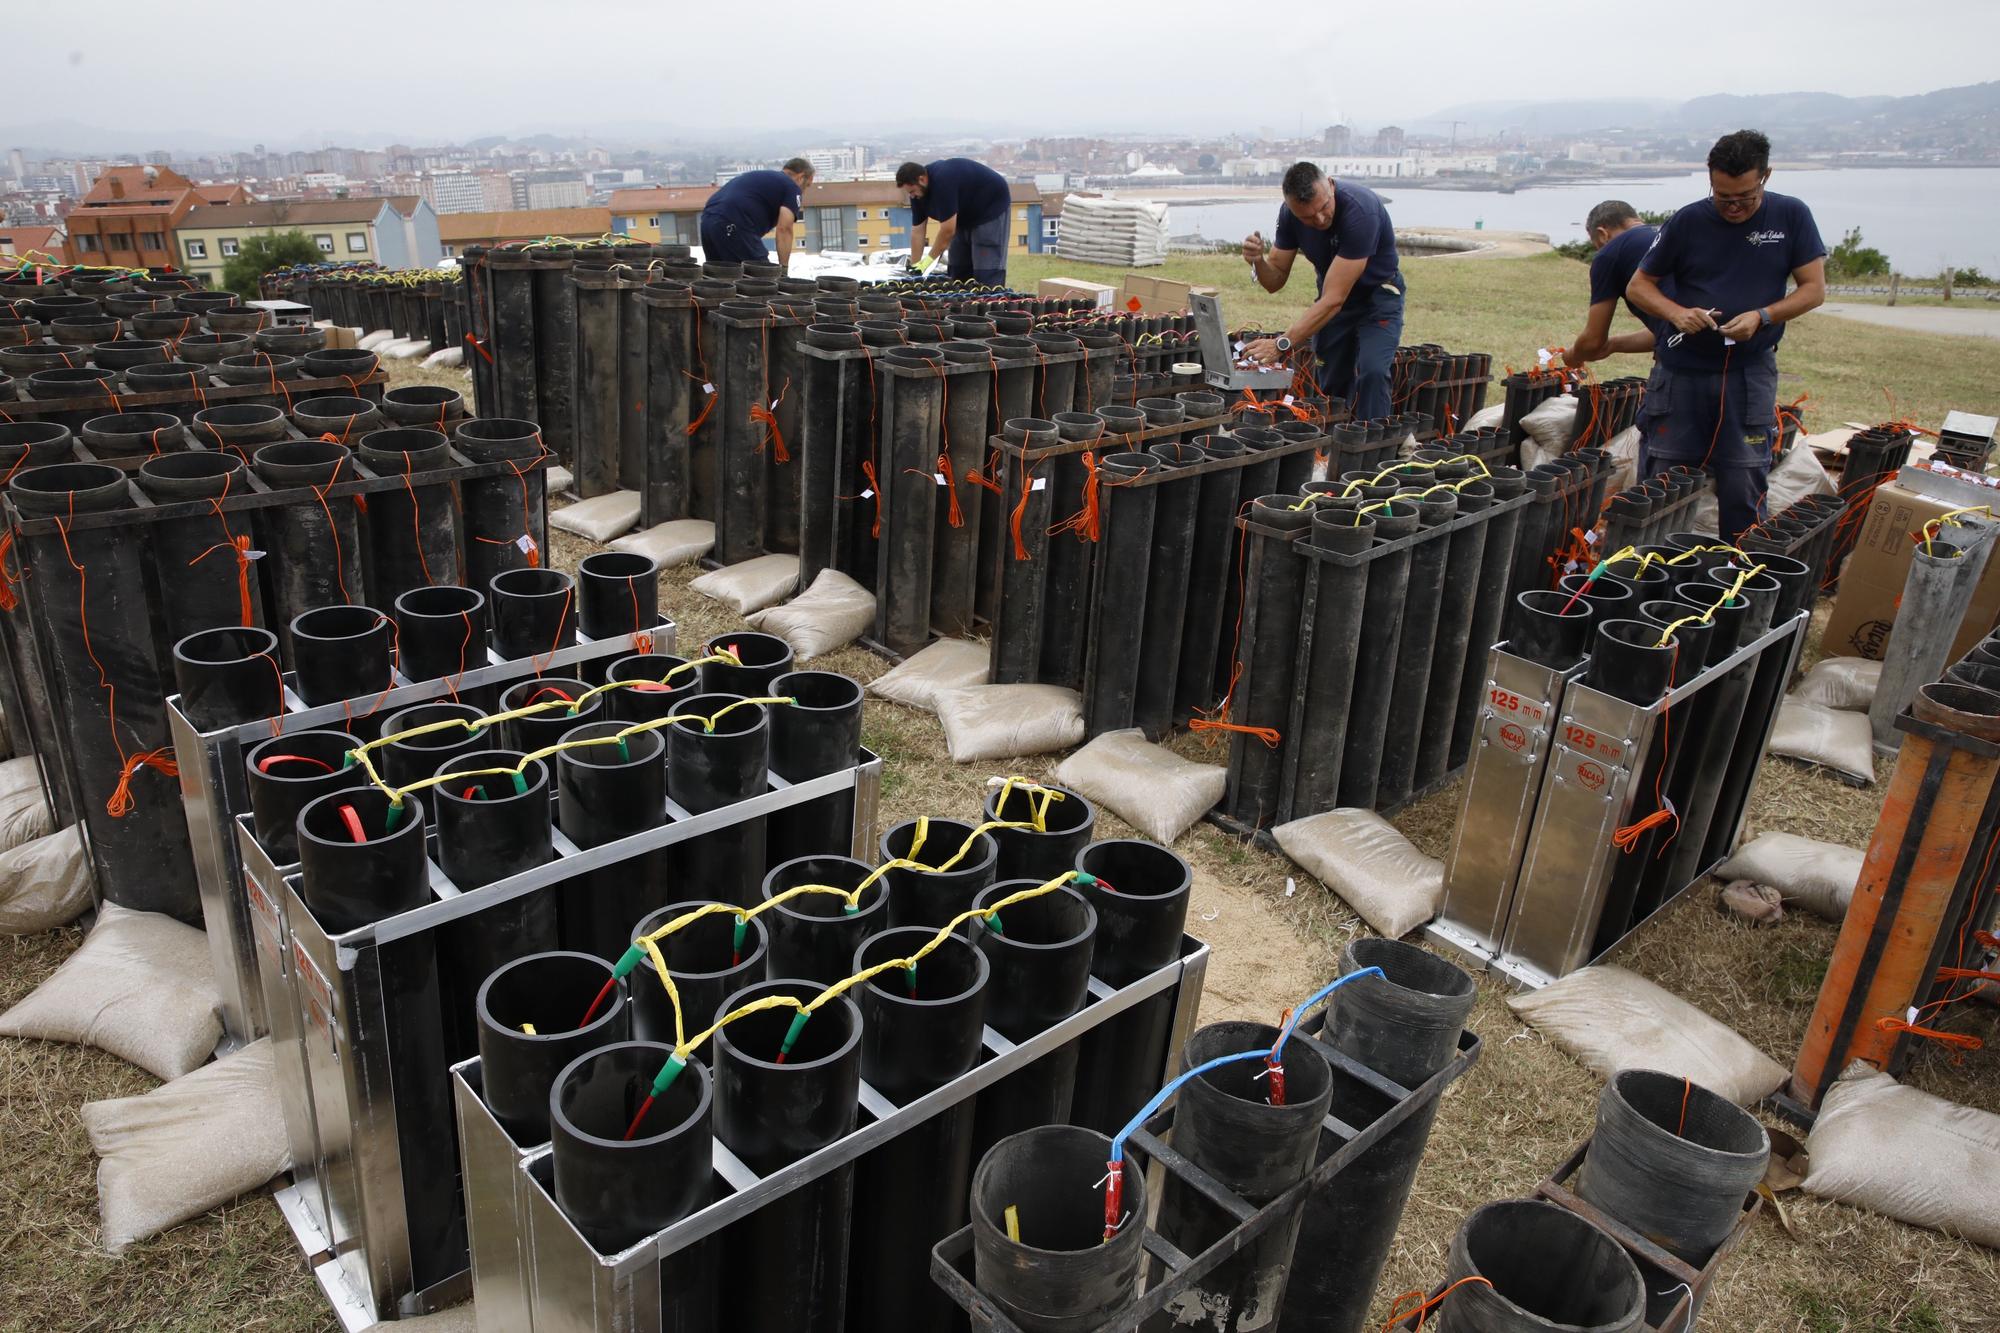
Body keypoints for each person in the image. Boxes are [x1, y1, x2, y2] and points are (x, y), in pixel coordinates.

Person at [1626, 130, 1826, 541]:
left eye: (1745, 198)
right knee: (1664, 482)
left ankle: (1736, 581)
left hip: (1747, 376)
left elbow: (1813, 290)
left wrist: (1763, 316)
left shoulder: (1791, 216)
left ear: (1765, 177)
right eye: (1723, 197)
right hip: (1681, 374)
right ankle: (1651, 575)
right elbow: (1639, 286)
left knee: (1744, 481)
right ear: (1710, 180)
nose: (1734, 207)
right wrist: (1678, 314)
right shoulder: (1688, 220)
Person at [1240, 161, 1404, 420]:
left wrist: (1282, 344)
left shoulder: (1361, 212)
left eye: (1324, 207)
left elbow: (1334, 299)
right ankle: (1332, 445)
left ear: (1330, 184)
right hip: (1332, 299)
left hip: (1377, 297)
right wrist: (1258, 262)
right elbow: (1275, 281)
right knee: (1330, 378)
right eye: (1306, 217)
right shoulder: (1289, 215)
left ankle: (1373, 447)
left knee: (1371, 371)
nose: (1319, 219)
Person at [1562, 200, 1665, 368]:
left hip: (1680, 366)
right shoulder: (1669, 231)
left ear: (1602, 234)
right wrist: (1613, 345)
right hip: (1719, 344)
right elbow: (1669, 330)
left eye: (1597, 246)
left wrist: (1573, 356)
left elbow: (1593, 341)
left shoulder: (1610, 253)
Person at [896, 158, 1014, 287]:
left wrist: (928, 261)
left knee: (985, 273)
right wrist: (916, 266)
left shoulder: (943, 182)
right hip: (964, 214)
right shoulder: (917, 194)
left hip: (989, 207)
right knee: (958, 271)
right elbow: (917, 231)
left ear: (922, 179)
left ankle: (990, 301)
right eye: (909, 193)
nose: (912, 196)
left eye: (912, 192)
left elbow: (947, 231)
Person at [699, 158, 814, 269]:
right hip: (733, 223)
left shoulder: (763, 177)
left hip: (708, 221)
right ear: (801, 177)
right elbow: (784, 229)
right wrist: (783, 269)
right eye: (807, 185)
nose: (804, 191)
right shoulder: (792, 187)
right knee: (763, 278)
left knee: (720, 278)